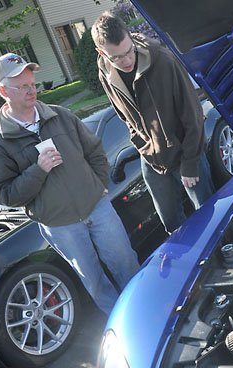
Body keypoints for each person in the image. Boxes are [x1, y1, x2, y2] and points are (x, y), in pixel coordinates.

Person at [0, 53, 140, 315]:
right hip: (61, 225)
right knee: (95, 282)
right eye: (22, 86)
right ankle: (124, 325)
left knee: (127, 264)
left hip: (97, 208)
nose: (31, 90)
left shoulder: (61, 116)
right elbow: (4, 194)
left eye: (32, 83)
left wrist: (98, 187)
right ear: (3, 91)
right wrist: (39, 170)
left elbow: (95, 152)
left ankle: (145, 312)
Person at [91, 12, 214, 234]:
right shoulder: (105, 74)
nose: (126, 61)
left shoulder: (164, 61)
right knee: (171, 225)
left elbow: (193, 114)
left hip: (186, 153)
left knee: (208, 217)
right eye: (116, 57)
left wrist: (190, 163)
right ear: (101, 53)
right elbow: (124, 116)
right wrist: (140, 143)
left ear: (131, 37)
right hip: (151, 159)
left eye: (129, 52)